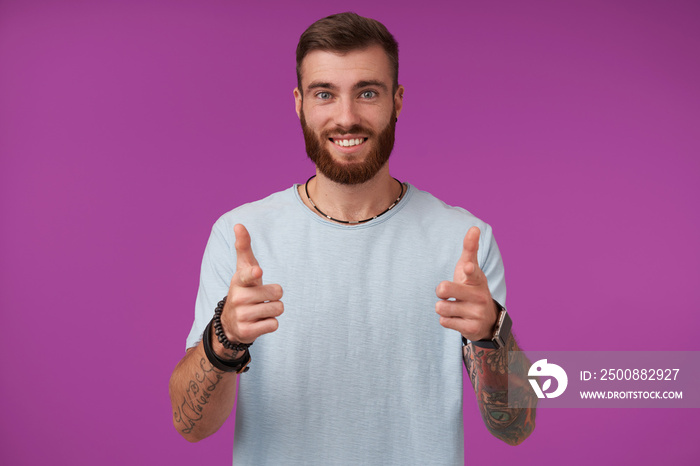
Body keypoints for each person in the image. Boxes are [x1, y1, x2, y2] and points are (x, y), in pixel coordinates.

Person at [169, 12, 536, 465]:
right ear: (300, 103)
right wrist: (224, 339)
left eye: (367, 92)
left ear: (397, 101)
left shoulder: (462, 240)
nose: (347, 117)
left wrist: (490, 334)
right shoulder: (242, 235)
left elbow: (516, 428)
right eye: (325, 94)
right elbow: (191, 427)